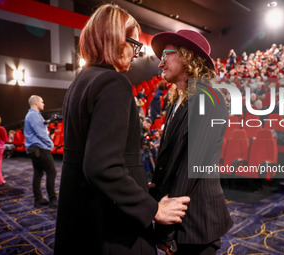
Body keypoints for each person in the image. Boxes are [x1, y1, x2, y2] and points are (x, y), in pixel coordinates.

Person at [54, 4, 190, 255]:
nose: (136, 54)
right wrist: (153, 209)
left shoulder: (80, 82)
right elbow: (101, 166)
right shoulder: (113, 82)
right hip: (112, 228)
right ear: (115, 40)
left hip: (82, 221)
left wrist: (138, 183)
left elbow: (94, 155)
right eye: (134, 44)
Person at [150, 30, 233, 255]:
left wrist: (167, 232)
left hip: (196, 224)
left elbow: (189, 168)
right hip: (179, 221)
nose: (161, 64)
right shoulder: (177, 101)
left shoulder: (209, 98)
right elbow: (169, 161)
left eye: (166, 54)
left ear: (187, 57)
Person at [24, 95, 57, 208]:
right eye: (42, 102)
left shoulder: (31, 115)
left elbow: (40, 131)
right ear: (36, 103)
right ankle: (53, 200)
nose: (44, 104)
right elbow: (41, 133)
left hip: (34, 149)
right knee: (51, 172)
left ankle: (38, 200)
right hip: (40, 148)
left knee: (38, 173)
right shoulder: (34, 115)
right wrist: (51, 144)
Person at [0, 115, 8, 185]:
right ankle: (0, 177)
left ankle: (0, 179)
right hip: (1, 147)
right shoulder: (2, 128)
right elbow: (5, 139)